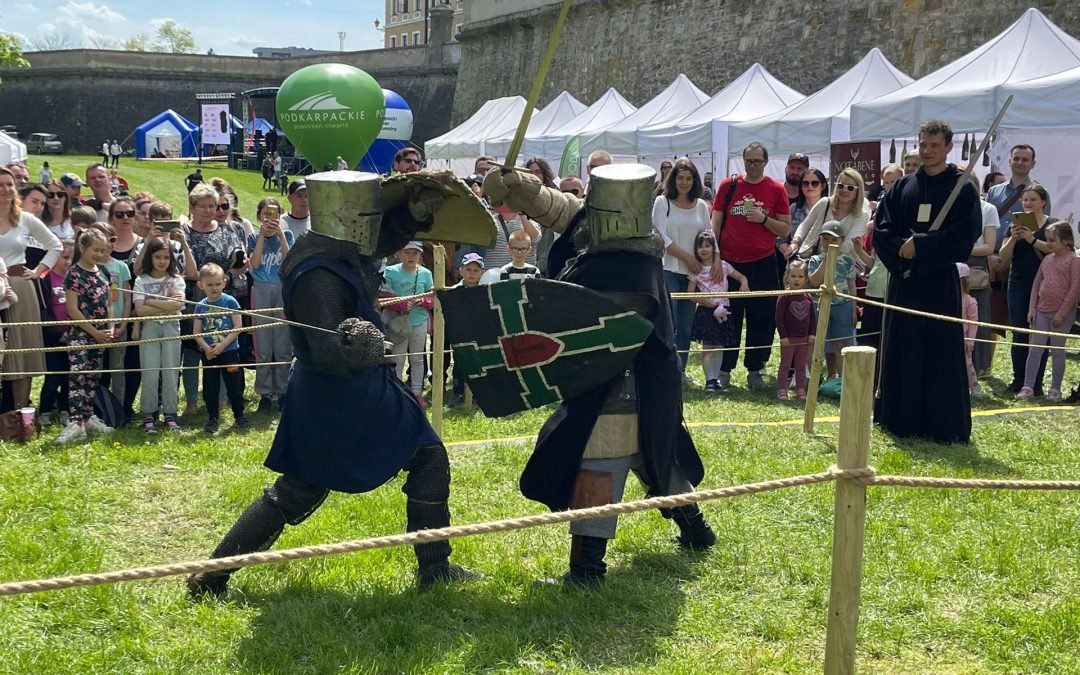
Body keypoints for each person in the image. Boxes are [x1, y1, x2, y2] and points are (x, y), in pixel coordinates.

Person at [187, 170, 476, 598]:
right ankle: (212, 576)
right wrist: (361, 341)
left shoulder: (337, 248)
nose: (375, 224)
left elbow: (380, 240)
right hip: (339, 393)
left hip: (352, 388)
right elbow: (327, 351)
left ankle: (435, 567)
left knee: (420, 460)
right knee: (298, 490)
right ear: (351, 216)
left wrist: (415, 210)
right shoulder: (317, 273)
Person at [483, 162, 715, 587]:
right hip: (642, 384)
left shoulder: (624, 265)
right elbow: (566, 211)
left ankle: (587, 571)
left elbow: (589, 326)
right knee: (654, 456)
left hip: (620, 385)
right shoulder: (626, 245)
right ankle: (697, 530)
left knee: (600, 465)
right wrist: (522, 189)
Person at [872, 119, 981, 444]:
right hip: (904, 285)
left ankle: (942, 425)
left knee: (940, 353)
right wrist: (903, 256)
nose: (928, 151)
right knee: (902, 348)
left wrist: (923, 245)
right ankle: (899, 420)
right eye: (924, 144)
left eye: (935, 145)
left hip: (938, 285)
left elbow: (965, 235)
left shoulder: (962, 188)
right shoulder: (902, 187)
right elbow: (882, 231)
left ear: (948, 147)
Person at [709, 142, 791, 390]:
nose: (752, 165)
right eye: (748, 161)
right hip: (730, 263)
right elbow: (715, 223)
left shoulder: (776, 189)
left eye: (757, 161)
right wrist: (715, 255)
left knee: (762, 319)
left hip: (764, 262)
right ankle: (724, 370)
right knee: (728, 317)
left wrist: (764, 219)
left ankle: (755, 368)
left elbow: (785, 228)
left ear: (766, 162)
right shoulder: (728, 185)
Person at [182, 184, 249, 416]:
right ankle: (191, 399)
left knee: (222, 344)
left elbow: (242, 263)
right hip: (193, 296)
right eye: (203, 206)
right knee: (192, 348)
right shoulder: (183, 232)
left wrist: (230, 275)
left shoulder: (229, 229)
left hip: (224, 295)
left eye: (212, 206)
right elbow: (185, 270)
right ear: (192, 208)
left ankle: (221, 397)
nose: (209, 210)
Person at [0, 166, 63, 410]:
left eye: (9, 184)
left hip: (20, 285)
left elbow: (55, 246)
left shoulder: (25, 219)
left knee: (21, 349)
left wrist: (38, 271)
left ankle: (19, 413)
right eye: (0, 185)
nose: (5, 189)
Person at [54, 229, 115, 444]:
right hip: (81, 334)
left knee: (93, 377)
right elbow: (72, 309)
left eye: (102, 250)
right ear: (82, 248)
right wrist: (94, 332)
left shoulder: (104, 273)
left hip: (101, 334)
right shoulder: (74, 274)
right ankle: (76, 421)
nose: (99, 255)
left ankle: (89, 417)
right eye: (95, 250)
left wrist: (110, 328)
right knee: (78, 377)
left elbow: (109, 304)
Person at [653, 158, 713, 375]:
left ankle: (680, 372)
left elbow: (707, 236)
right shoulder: (662, 202)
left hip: (693, 276)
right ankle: (665, 371)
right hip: (669, 270)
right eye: (680, 178)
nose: (685, 182)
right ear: (673, 179)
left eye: (689, 178)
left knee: (686, 329)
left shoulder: (701, 207)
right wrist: (688, 258)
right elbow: (661, 238)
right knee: (670, 325)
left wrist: (709, 263)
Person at [998, 183, 1052, 394]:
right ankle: (1018, 380)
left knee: (1040, 333)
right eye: (1025, 199)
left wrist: (1031, 239)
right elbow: (1003, 258)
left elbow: (1054, 250)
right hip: (1018, 282)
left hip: (1045, 284)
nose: (1028, 204)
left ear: (1043, 203)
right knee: (1019, 330)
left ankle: (1036, 383)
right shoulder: (1014, 225)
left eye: (1033, 200)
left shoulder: (1052, 225)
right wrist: (1013, 237)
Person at [1016, 221, 1079, 402]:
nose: (1049, 243)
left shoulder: (1074, 261)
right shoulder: (1047, 259)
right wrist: (1032, 309)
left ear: (1066, 241)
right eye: (1047, 240)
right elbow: (1037, 284)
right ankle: (1028, 386)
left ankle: (1055, 389)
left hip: (1062, 314)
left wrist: (1061, 313)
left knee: (1057, 350)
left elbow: (1074, 289)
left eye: (1053, 240)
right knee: (1035, 349)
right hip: (1042, 311)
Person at [133, 238, 186, 433]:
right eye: (158, 257)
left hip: (172, 326)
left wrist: (151, 301)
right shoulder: (141, 280)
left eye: (166, 257)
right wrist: (165, 303)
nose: (162, 261)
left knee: (171, 371)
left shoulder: (177, 280)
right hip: (150, 329)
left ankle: (170, 413)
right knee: (150, 371)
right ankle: (149, 414)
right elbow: (140, 311)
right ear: (150, 257)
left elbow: (178, 306)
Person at [248, 198, 294, 413]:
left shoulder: (288, 235)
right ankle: (265, 392)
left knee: (283, 343)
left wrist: (281, 235)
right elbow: (255, 264)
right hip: (261, 289)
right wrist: (261, 236)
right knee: (264, 344)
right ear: (259, 216)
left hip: (281, 288)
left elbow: (289, 262)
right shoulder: (252, 237)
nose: (269, 219)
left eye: (274, 214)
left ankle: (283, 390)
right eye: (265, 214)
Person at [686, 229, 747, 393]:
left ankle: (717, 378)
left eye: (707, 246)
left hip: (724, 310)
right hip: (706, 312)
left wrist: (744, 284)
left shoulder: (724, 266)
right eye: (700, 247)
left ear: (714, 248)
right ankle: (709, 380)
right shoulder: (695, 270)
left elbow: (741, 277)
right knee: (708, 347)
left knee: (719, 347)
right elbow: (690, 294)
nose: (704, 250)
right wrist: (702, 301)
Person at [193, 263, 248, 433]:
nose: (214, 288)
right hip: (210, 355)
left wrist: (223, 345)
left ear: (224, 282)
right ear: (201, 285)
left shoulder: (230, 301)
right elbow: (196, 333)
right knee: (211, 388)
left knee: (234, 386)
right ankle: (212, 419)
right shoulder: (200, 306)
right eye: (209, 285)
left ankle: (239, 416)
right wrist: (207, 349)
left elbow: (238, 326)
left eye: (217, 284)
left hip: (230, 352)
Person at [383, 241, 434, 407]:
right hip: (398, 323)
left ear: (420, 255)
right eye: (407, 252)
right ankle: (397, 393)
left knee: (417, 359)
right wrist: (399, 304)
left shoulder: (426, 273)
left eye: (415, 253)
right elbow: (383, 296)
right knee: (397, 358)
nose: (411, 256)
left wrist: (425, 301)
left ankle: (416, 393)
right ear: (398, 253)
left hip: (419, 320)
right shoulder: (390, 272)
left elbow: (433, 296)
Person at [859, 164, 901, 355]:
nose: (890, 185)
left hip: (895, 288)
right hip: (875, 287)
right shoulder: (882, 202)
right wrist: (857, 250)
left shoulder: (904, 206)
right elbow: (874, 262)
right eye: (886, 182)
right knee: (870, 338)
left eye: (894, 181)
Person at [807, 222, 858, 380]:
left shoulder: (848, 261)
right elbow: (814, 281)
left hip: (842, 305)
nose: (829, 243)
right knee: (823, 342)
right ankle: (829, 376)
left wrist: (854, 309)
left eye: (834, 240)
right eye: (825, 239)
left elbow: (851, 286)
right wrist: (827, 259)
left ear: (842, 240)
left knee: (840, 342)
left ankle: (842, 381)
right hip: (820, 304)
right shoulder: (815, 260)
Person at [790, 167, 870, 258]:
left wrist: (823, 256)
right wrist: (795, 242)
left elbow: (849, 245)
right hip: (811, 259)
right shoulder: (824, 203)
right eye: (840, 186)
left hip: (842, 265)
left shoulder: (861, 215)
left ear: (857, 191)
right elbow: (805, 225)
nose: (844, 190)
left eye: (850, 188)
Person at [36, 238, 74, 426]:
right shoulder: (45, 278)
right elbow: (43, 310)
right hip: (53, 337)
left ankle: (65, 409)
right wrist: (57, 331)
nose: (68, 262)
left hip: (72, 336)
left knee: (68, 376)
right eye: (64, 257)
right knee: (53, 377)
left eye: (71, 258)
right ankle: (44, 411)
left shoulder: (74, 278)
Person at [95, 221, 132, 407]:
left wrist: (123, 324)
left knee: (118, 367)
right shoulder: (89, 267)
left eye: (112, 239)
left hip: (118, 325)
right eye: (104, 240)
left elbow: (127, 299)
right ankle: (97, 407)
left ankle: (118, 407)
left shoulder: (121, 266)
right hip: (96, 327)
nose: (108, 244)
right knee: (97, 368)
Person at [775, 259, 816, 401]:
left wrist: (812, 334)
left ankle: (800, 388)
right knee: (785, 365)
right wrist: (783, 336)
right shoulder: (784, 297)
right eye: (793, 276)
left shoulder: (808, 297)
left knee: (800, 365)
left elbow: (812, 317)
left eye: (800, 276)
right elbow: (779, 319)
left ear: (806, 278)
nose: (796, 279)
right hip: (788, 339)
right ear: (787, 277)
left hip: (804, 339)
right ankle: (781, 389)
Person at [449, 252, 484, 406]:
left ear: (482, 273)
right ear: (461, 270)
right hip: (460, 333)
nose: (472, 273)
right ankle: (458, 393)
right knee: (459, 363)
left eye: (476, 270)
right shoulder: (452, 291)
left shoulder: (484, 291)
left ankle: (477, 394)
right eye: (468, 269)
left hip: (478, 333)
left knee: (478, 363)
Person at [525, 157, 559, 275]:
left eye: (538, 172)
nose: (534, 175)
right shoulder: (521, 199)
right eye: (530, 172)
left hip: (545, 261)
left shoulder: (553, 197)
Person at [956, 263, 982, 399]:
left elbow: (973, 321)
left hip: (964, 338)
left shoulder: (969, 301)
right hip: (950, 337)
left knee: (967, 364)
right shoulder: (947, 301)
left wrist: (970, 340)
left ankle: (974, 387)